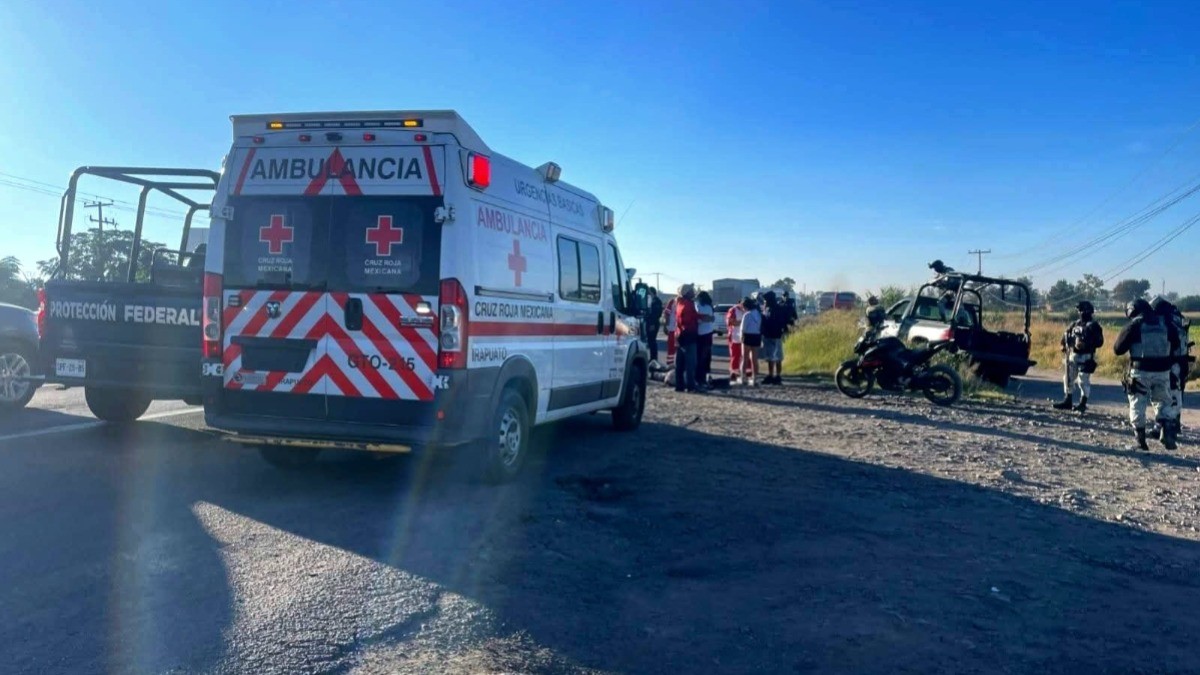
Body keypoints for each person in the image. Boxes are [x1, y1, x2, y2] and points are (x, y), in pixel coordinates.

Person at [1114, 298, 1182, 450]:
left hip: (1140, 371)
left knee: (1138, 404)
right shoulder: (1166, 324)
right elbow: (1176, 344)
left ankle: (1141, 441)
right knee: (1163, 402)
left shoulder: (1134, 325)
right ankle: (1167, 431)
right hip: (1163, 371)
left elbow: (1118, 349)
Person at [1053, 300, 1104, 413]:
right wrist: (1063, 345)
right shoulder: (1075, 324)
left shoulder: (1094, 326)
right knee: (1068, 378)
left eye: (1081, 310)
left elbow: (1100, 342)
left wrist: (1087, 344)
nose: (1080, 312)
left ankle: (1082, 403)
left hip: (1086, 356)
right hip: (1073, 355)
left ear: (1088, 311)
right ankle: (1068, 400)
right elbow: (1065, 335)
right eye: (1079, 310)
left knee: (1083, 380)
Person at [1150, 296, 1191, 431]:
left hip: (1170, 363)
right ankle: (1175, 422)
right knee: (1178, 393)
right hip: (1182, 361)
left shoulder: (1165, 322)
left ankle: (1166, 424)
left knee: (1165, 393)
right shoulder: (1178, 319)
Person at [673, 285, 699, 393]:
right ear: (687, 293)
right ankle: (691, 386)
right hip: (689, 335)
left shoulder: (679, 302)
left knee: (680, 363)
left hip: (680, 335)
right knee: (690, 363)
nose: (693, 293)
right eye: (691, 291)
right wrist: (701, 317)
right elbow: (689, 319)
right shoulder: (688, 304)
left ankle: (679, 385)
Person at [760, 291, 786, 385]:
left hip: (773, 336)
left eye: (765, 300)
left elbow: (776, 322)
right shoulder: (772, 308)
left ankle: (774, 376)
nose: (765, 301)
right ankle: (774, 376)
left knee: (774, 357)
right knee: (774, 357)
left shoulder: (773, 309)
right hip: (772, 336)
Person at [739, 296, 763, 386]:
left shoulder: (747, 315)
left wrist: (741, 337)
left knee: (745, 358)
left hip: (747, 336)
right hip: (756, 336)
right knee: (754, 359)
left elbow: (743, 328)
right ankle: (755, 378)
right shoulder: (758, 314)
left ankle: (743, 378)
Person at [695, 291, 715, 389]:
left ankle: (700, 378)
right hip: (709, 333)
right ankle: (705, 376)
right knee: (707, 356)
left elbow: (697, 320)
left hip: (700, 334)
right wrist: (707, 318)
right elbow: (711, 319)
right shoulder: (709, 307)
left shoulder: (698, 306)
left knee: (699, 357)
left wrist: (703, 319)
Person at [727, 299, 748, 383]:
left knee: (745, 355)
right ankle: (734, 373)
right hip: (734, 336)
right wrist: (743, 322)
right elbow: (731, 322)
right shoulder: (733, 310)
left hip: (744, 336)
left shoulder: (747, 311)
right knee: (735, 355)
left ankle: (744, 373)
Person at [645, 288, 663, 364]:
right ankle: (652, 358)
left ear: (653, 293)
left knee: (652, 341)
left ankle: (654, 358)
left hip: (653, 323)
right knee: (650, 340)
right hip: (649, 322)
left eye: (649, 292)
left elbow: (656, 314)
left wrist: (652, 324)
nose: (648, 294)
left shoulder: (657, 301)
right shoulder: (650, 300)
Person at [663, 295, 678, 368]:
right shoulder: (674, 302)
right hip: (674, 329)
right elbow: (667, 314)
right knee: (673, 347)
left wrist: (666, 325)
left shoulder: (673, 301)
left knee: (672, 348)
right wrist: (666, 325)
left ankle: (671, 363)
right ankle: (671, 363)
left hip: (674, 329)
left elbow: (667, 314)